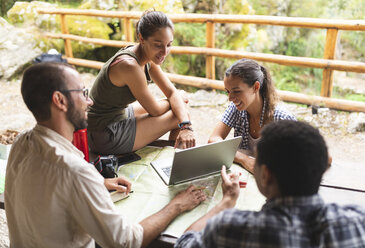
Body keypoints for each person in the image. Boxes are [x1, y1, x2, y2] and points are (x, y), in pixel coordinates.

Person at [5, 63, 206, 248]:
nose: (90, 101)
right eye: (83, 93)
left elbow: (47, 185)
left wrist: (99, 184)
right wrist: (177, 205)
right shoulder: (76, 171)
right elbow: (126, 242)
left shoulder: (21, 143)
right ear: (60, 100)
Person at [175, 120, 365, 248]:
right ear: (320, 171)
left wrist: (226, 202)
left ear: (266, 175)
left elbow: (184, 244)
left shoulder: (233, 228)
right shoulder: (360, 222)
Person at [88, 10, 195, 155]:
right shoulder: (129, 65)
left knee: (180, 107)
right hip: (104, 133)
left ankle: (170, 147)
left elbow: (171, 92)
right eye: (158, 45)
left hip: (116, 116)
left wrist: (178, 105)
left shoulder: (147, 55)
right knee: (179, 113)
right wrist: (183, 118)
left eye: (168, 45)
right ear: (141, 38)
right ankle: (173, 151)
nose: (164, 52)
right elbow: (155, 110)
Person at [208, 59, 296, 173]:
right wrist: (244, 159)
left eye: (237, 91)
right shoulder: (236, 109)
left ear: (256, 87)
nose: (230, 98)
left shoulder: (282, 119)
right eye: (228, 92)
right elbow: (213, 140)